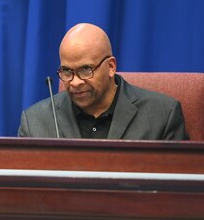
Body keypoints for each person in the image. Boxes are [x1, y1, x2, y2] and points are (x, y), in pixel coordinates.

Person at [18, 23, 189, 140]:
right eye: (67, 71)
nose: (75, 82)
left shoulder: (162, 116)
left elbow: (180, 189)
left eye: (86, 70)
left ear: (111, 66)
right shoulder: (35, 122)